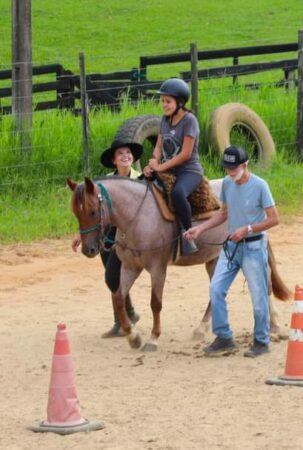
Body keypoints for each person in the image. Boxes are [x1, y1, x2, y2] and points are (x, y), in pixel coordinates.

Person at [184, 146, 279, 358]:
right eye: (227, 169)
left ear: (245, 165)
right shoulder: (227, 184)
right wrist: (200, 228)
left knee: (258, 295)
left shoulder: (260, 186)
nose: (230, 173)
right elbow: (223, 214)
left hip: (254, 247)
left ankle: (261, 341)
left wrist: (248, 229)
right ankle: (224, 337)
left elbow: (274, 218)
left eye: (234, 168)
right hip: (231, 247)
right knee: (216, 288)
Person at [71, 140, 143, 337]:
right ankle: (126, 316)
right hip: (108, 235)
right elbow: (93, 211)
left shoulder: (142, 178)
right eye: (120, 154)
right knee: (113, 278)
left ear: (133, 158)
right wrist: (81, 234)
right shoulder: (105, 183)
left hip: (130, 237)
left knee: (112, 277)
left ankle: (123, 320)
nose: (125, 156)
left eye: (128, 153)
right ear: (114, 160)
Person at [143, 78, 204, 255]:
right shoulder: (164, 120)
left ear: (180, 102)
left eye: (168, 101)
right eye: (162, 101)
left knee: (178, 193)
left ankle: (188, 234)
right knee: (142, 183)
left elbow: (185, 154)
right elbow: (159, 146)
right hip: (168, 168)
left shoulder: (190, 121)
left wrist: (161, 168)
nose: (164, 105)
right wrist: (153, 164)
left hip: (189, 170)